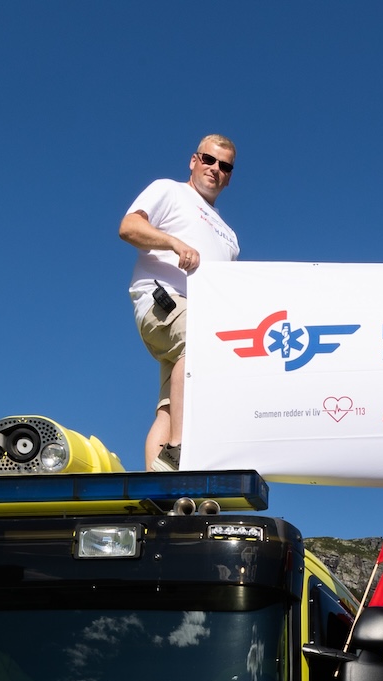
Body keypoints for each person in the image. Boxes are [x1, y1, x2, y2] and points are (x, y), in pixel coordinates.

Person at [119, 135, 241, 470]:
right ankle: (180, 450)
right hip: (165, 302)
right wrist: (174, 243)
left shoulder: (230, 236)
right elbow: (129, 227)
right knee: (198, 348)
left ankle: (157, 487)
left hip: (198, 318)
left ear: (230, 175)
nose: (215, 169)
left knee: (171, 407)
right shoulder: (170, 190)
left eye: (225, 166)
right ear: (193, 160)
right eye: (208, 160)